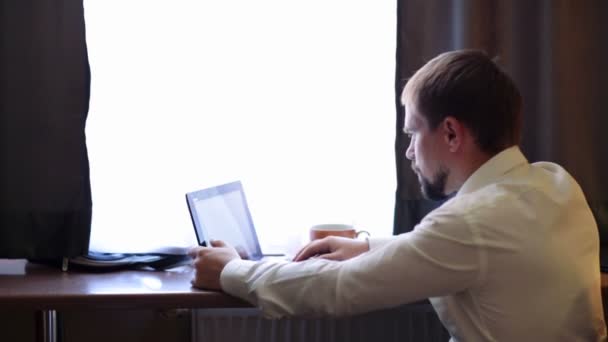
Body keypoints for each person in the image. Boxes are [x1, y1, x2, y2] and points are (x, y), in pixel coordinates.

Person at [188, 50, 607, 341]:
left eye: (412, 133)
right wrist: (366, 247)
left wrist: (231, 271)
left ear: (449, 132)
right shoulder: (555, 183)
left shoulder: (471, 221)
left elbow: (336, 290)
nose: (408, 151)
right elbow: (470, 247)